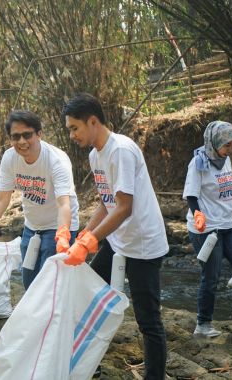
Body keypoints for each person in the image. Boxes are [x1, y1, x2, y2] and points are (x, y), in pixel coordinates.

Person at [63, 93, 168, 380]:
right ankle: (89, 364)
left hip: (143, 244)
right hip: (118, 239)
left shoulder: (120, 150)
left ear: (93, 121)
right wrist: (84, 234)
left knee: (148, 320)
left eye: (74, 128)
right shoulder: (95, 154)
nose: (72, 135)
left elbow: (124, 207)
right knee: (88, 295)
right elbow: (106, 201)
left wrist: (90, 242)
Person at [0, 110, 79, 290]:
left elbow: (63, 203)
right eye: (16, 137)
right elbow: (2, 198)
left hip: (57, 227)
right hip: (32, 226)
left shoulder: (56, 160)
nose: (21, 141)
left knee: (49, 285)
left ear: (39, 134)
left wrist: (64, 234)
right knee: (29, 282)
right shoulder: (10, 158)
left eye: (27, 135)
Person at [183, 120, 232, 337]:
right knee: (211, 276)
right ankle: (202, 325)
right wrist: (198, 214)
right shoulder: (198, 163)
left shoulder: (225, 160)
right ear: (215, 142)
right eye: (227, 146)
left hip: (229, 224)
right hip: (207, 230)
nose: (230, 150)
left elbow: (230, 185)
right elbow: (191, 194)